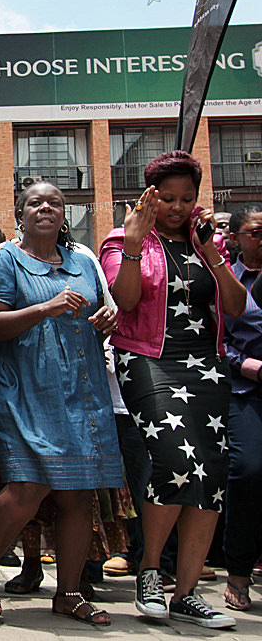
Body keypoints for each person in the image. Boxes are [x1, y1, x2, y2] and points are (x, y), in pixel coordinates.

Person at [100, 150, 245, 629]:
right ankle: (149, 571)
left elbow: (236, 307)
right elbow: (124, 301)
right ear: (149, 196)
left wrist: (213, 256)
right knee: (173, 461)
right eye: (167, 198)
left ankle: (186, 594)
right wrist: (135, 243)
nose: (178, 207)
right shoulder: (123, 238)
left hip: (206, 365)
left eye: (187, 198)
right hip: (147, 359)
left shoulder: (208, 242)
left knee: (211, 472)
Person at [0, 181, 122, 626]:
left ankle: (69, 593)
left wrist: (107, 318)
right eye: (35, 203)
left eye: (54, 203)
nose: (45, 208)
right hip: (23, 387)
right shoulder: (5, 259)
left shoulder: (83, 261)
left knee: (79, 492)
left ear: (64, 214)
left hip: (80, 387)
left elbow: (101, 312)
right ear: (20, 215)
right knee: (29, 484)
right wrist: (45, 308)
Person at [220, 204, 262, 612]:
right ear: (235, 238)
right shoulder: (226, 279)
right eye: (256, 232)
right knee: (249, 470)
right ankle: (238, 571)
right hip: (245, 390)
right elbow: (216, 338)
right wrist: (251, 366)